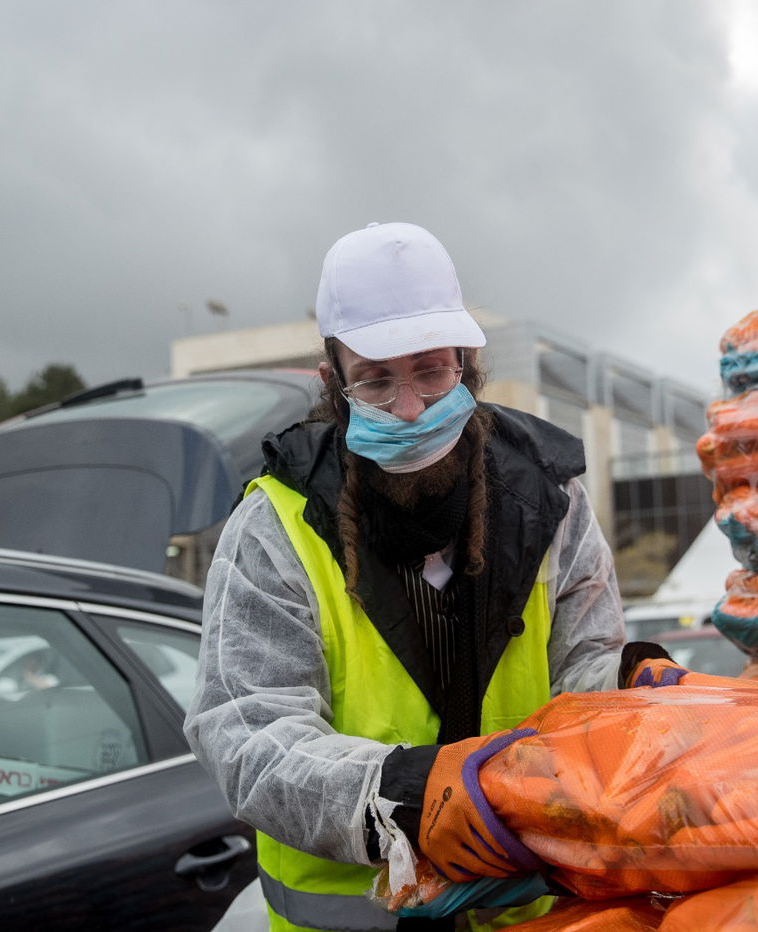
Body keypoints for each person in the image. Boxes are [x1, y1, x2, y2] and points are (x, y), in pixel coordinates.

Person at [185, 222, 680, 932]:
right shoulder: (275, 529)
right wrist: (405, 797)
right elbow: (250, 735)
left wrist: (630, 682)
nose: (411, 407)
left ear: (469, 365)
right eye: (376, 380)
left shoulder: (551, 501)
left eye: (431, 371)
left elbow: (582, 673)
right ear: (334, 383)